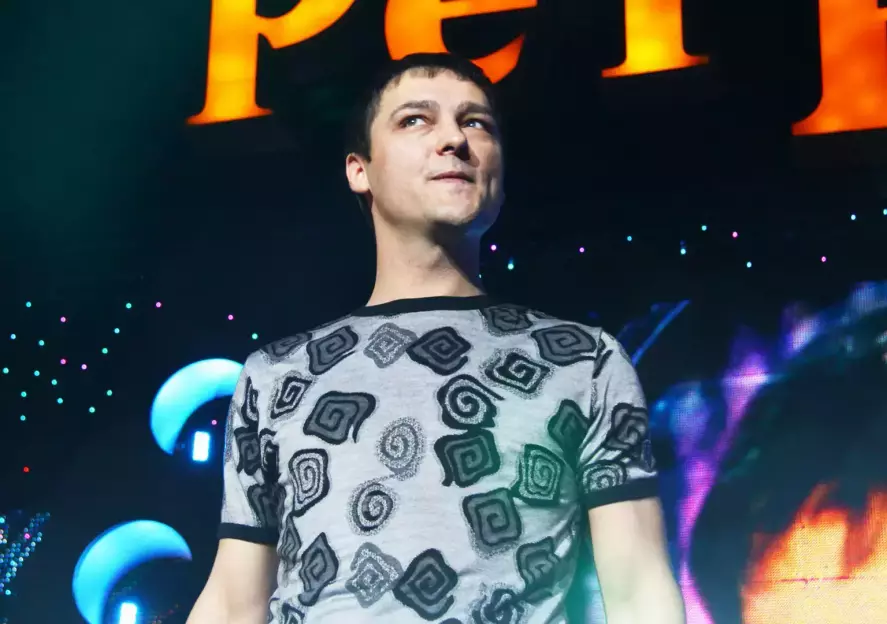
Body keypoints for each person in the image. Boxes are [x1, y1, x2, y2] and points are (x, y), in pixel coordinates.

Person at [187, 52, 684, 624]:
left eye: (477, 123)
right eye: (415, 120)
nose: (454, 139)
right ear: (359, 170)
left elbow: (638, 590)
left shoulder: (585, 362)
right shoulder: (276, 376)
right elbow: (234, 600)